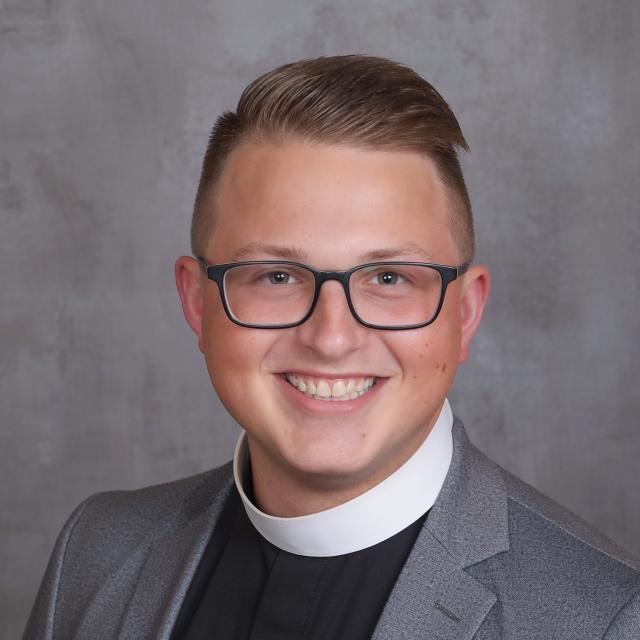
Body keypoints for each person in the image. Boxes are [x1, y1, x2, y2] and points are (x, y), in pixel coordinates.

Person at [25, 55, 640, 640]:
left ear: (465, 312)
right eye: (276, 276)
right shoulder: (96, 551)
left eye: (389, 278)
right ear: (197, 300)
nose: (331, 337)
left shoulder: (606, 617)